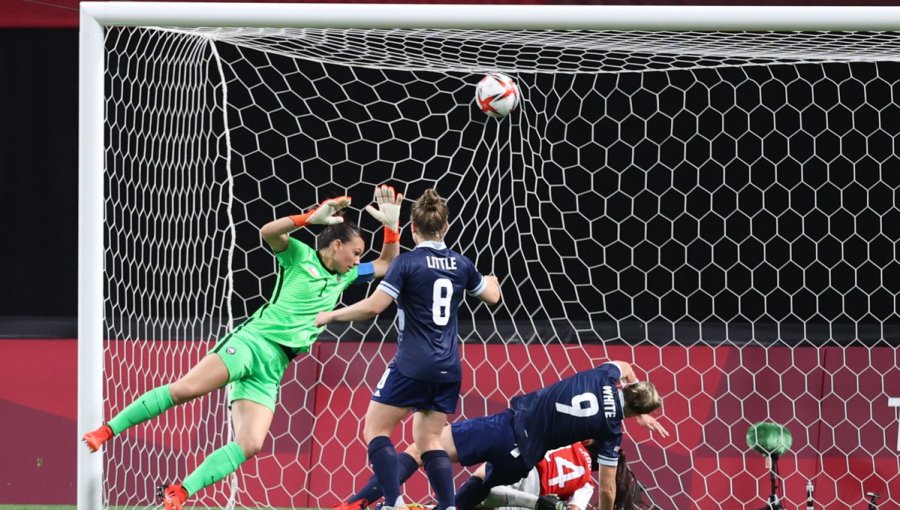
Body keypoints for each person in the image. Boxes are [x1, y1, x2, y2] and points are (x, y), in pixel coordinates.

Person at [81, 185, 404, 510]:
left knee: (251, 442)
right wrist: (309, 218)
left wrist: (392, 228)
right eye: (356, 252)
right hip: (252, 342)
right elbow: (269, 232)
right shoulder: (300, 255)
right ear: (336, 245)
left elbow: (387, 265)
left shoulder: (345, 278)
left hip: (274, 366)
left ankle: (180, 491)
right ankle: (106, 431)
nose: (358, 260)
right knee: (185, 390)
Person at [316, 188, 502, 510]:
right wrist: (491, 280)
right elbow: (492, 296)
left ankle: (393, 503)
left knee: (376, 428)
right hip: (448, 368)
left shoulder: (408, 263)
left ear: (414, 228)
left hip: (413, 363)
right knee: (429, 440)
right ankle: (447, 506)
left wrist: (331, 315)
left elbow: (376, 306)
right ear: (445, 227)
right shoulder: (461, 264)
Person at [335, 361, 666, 510]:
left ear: (627, 387)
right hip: (524, 459)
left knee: (422, 447)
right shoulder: (611, 432)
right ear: (634, 411)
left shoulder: (604, 376)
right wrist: (637, 417)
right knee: (480, 485)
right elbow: (607, 489)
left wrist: (634, 397)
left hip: (506, 427)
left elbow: (623, 365)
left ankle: (356, 503)